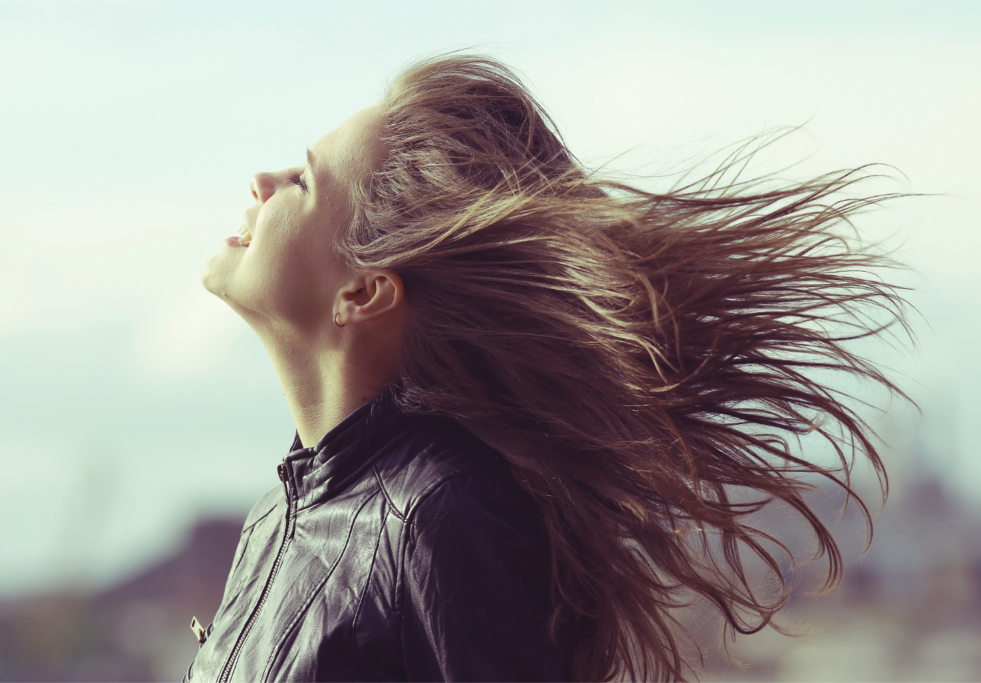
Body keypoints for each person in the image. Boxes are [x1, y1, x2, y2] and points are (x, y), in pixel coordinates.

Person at [186, 54, 908, 682]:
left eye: (303, 182)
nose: (261, 180)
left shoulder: (445, 513)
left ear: (364, 290)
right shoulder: (276, 516)